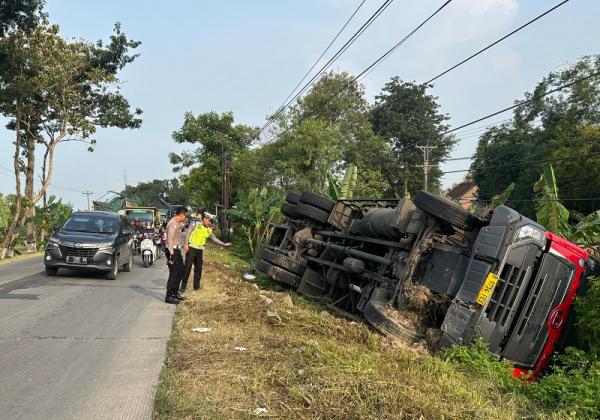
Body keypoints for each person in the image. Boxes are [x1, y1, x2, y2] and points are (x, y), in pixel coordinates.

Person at [180, 211, 232, 292]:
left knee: (198, 269)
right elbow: (188, 233)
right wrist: (186, 244)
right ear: (205, 219)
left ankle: (196, 287)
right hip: (191, 248)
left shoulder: (209, 229)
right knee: (187, 268)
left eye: (211, 221)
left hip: (200, 250)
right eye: (209, 220)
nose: (210, 222)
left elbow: (214, 238)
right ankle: (183, 287)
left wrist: (223, 244)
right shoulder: (195, 223)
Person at [165, 207, 188, 304]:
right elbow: (169, 239)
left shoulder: (178, 223)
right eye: (185, 215)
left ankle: (175, 293)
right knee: (173, 274)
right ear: (181, 214)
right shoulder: (173, 224)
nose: (186, 217)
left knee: (181, 272)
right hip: (172, 250)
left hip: (176, 250)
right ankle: (169, 296)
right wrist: (172, 254)